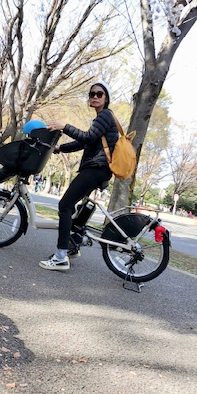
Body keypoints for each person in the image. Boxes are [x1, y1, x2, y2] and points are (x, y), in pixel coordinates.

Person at [41, 81, 118, 271]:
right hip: (97, 168)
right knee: (75, 208)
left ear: (106, 98)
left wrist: (64, 126)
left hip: (96, 168)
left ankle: (60, 257)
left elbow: (87, 137)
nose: (94, 97)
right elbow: (85, 143)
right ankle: (72, 246)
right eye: (92, 94)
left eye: (99, 94)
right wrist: (60, 148)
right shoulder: (101, 118)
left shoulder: (106, 115)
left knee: (65, 205)